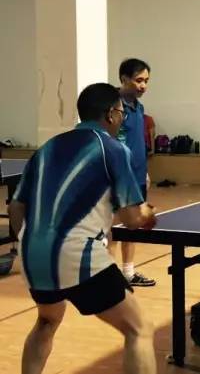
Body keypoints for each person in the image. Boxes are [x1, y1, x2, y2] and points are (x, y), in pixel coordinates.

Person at [7, 83, 157, 374]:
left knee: (47, 321)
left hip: (32, 253)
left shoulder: (46, 148)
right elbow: (132, 218)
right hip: (78, 253)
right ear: (111, 114)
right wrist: (147, 213)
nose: (123, 119)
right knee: (139, 328)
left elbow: (16, 207)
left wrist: (31, 240)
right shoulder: (113, 149)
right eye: (122, 113)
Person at [109, 59, 156, 287]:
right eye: (138, 80)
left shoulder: (139, 107)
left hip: (137, 176)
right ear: (124, 79)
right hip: (119, 177)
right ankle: (108, 276)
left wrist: (144, 172)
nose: (143, 85)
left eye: (146, 81)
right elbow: (114, 144)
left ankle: (128, 272)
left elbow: (137, 143)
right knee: (112, 227)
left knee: (133, 224)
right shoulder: (114, 107)